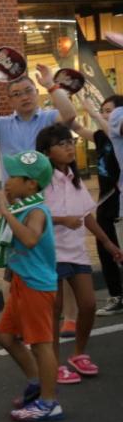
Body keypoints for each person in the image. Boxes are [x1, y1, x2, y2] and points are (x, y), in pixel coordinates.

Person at [35, 124, 123, 384]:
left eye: (69, 142)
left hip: (77, 252)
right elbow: (33, 214)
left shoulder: (75, 180)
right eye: (61, 144)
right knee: (55, 309)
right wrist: (62, 220)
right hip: (51, 253)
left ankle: (78, 354)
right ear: (46, 152)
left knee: (89, 304)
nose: (69, 147)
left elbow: (87, 215)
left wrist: (108, 244)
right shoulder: (41, 180)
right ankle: (52, 364)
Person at [0, 151, 61, 422]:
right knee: (5, 337)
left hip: (36, 285)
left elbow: (30, 239)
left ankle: (49, 402)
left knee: (42, 344)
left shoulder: (36, 210)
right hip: (22, 281)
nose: (7, 182)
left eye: (13, 177)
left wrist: (5, 211)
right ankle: (36, 383)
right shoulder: (26, 206)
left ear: (31, 184)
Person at [0, 63, 77, 181]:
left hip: (49, 191)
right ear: (10, 101)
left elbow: (69, 115)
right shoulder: (2, 125)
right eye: (17, 94)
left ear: (37, 93)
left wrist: (50, 85)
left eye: (29, 91)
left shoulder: (50, 118)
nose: (24, 97)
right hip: (17, 195)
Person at [94, 94, 123, 314]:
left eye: (108, 110)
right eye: (102, 110)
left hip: (117, 201)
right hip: (107, 201)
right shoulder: (105, 133)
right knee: (108, 251)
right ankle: (116, 295)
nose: (105, 114)